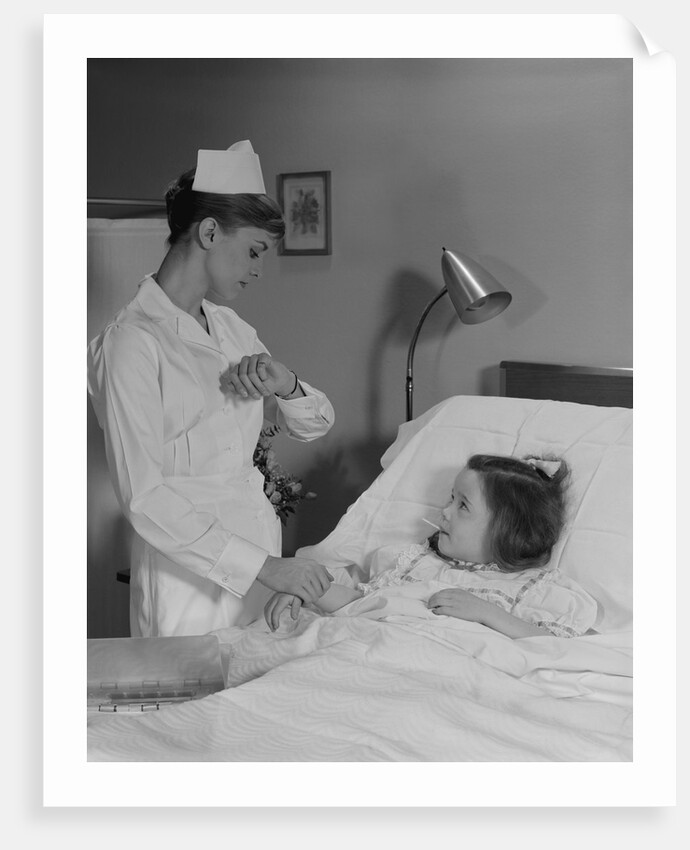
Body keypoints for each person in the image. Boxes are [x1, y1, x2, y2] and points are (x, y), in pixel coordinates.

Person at [88, 140, 335, 637]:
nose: (258, 269)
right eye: (254, 251)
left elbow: (317, 424)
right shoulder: (131, 342)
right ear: (208, 231)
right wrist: (265, 567)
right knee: (192, 705)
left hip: (259, 549)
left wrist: (285, 384)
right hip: (188, 577)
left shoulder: (230, 328)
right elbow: (143, 496)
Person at [264, 454, 598, 639]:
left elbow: (555, 648)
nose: (445, 512)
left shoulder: (534, 590)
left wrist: (487, 614)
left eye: (463, 505)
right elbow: (365, 604)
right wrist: (308, 587)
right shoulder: (412, 563)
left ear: (509, 531)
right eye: (450, 498)